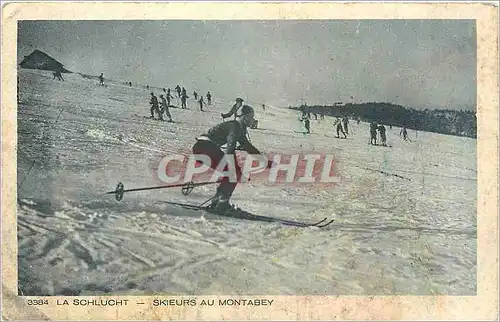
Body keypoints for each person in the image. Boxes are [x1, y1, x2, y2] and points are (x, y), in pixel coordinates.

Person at [192, 105, 272, 212]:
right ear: (244, 117)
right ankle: (221, 203)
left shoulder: (238, 128)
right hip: (205, 147)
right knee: (232, 174)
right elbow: (230, 149)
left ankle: (218, 201)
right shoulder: (235, 127)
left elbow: (247, 147)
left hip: (204, 147)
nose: (252, 120)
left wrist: (264, 161)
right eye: (251, 117)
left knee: (231, 173)